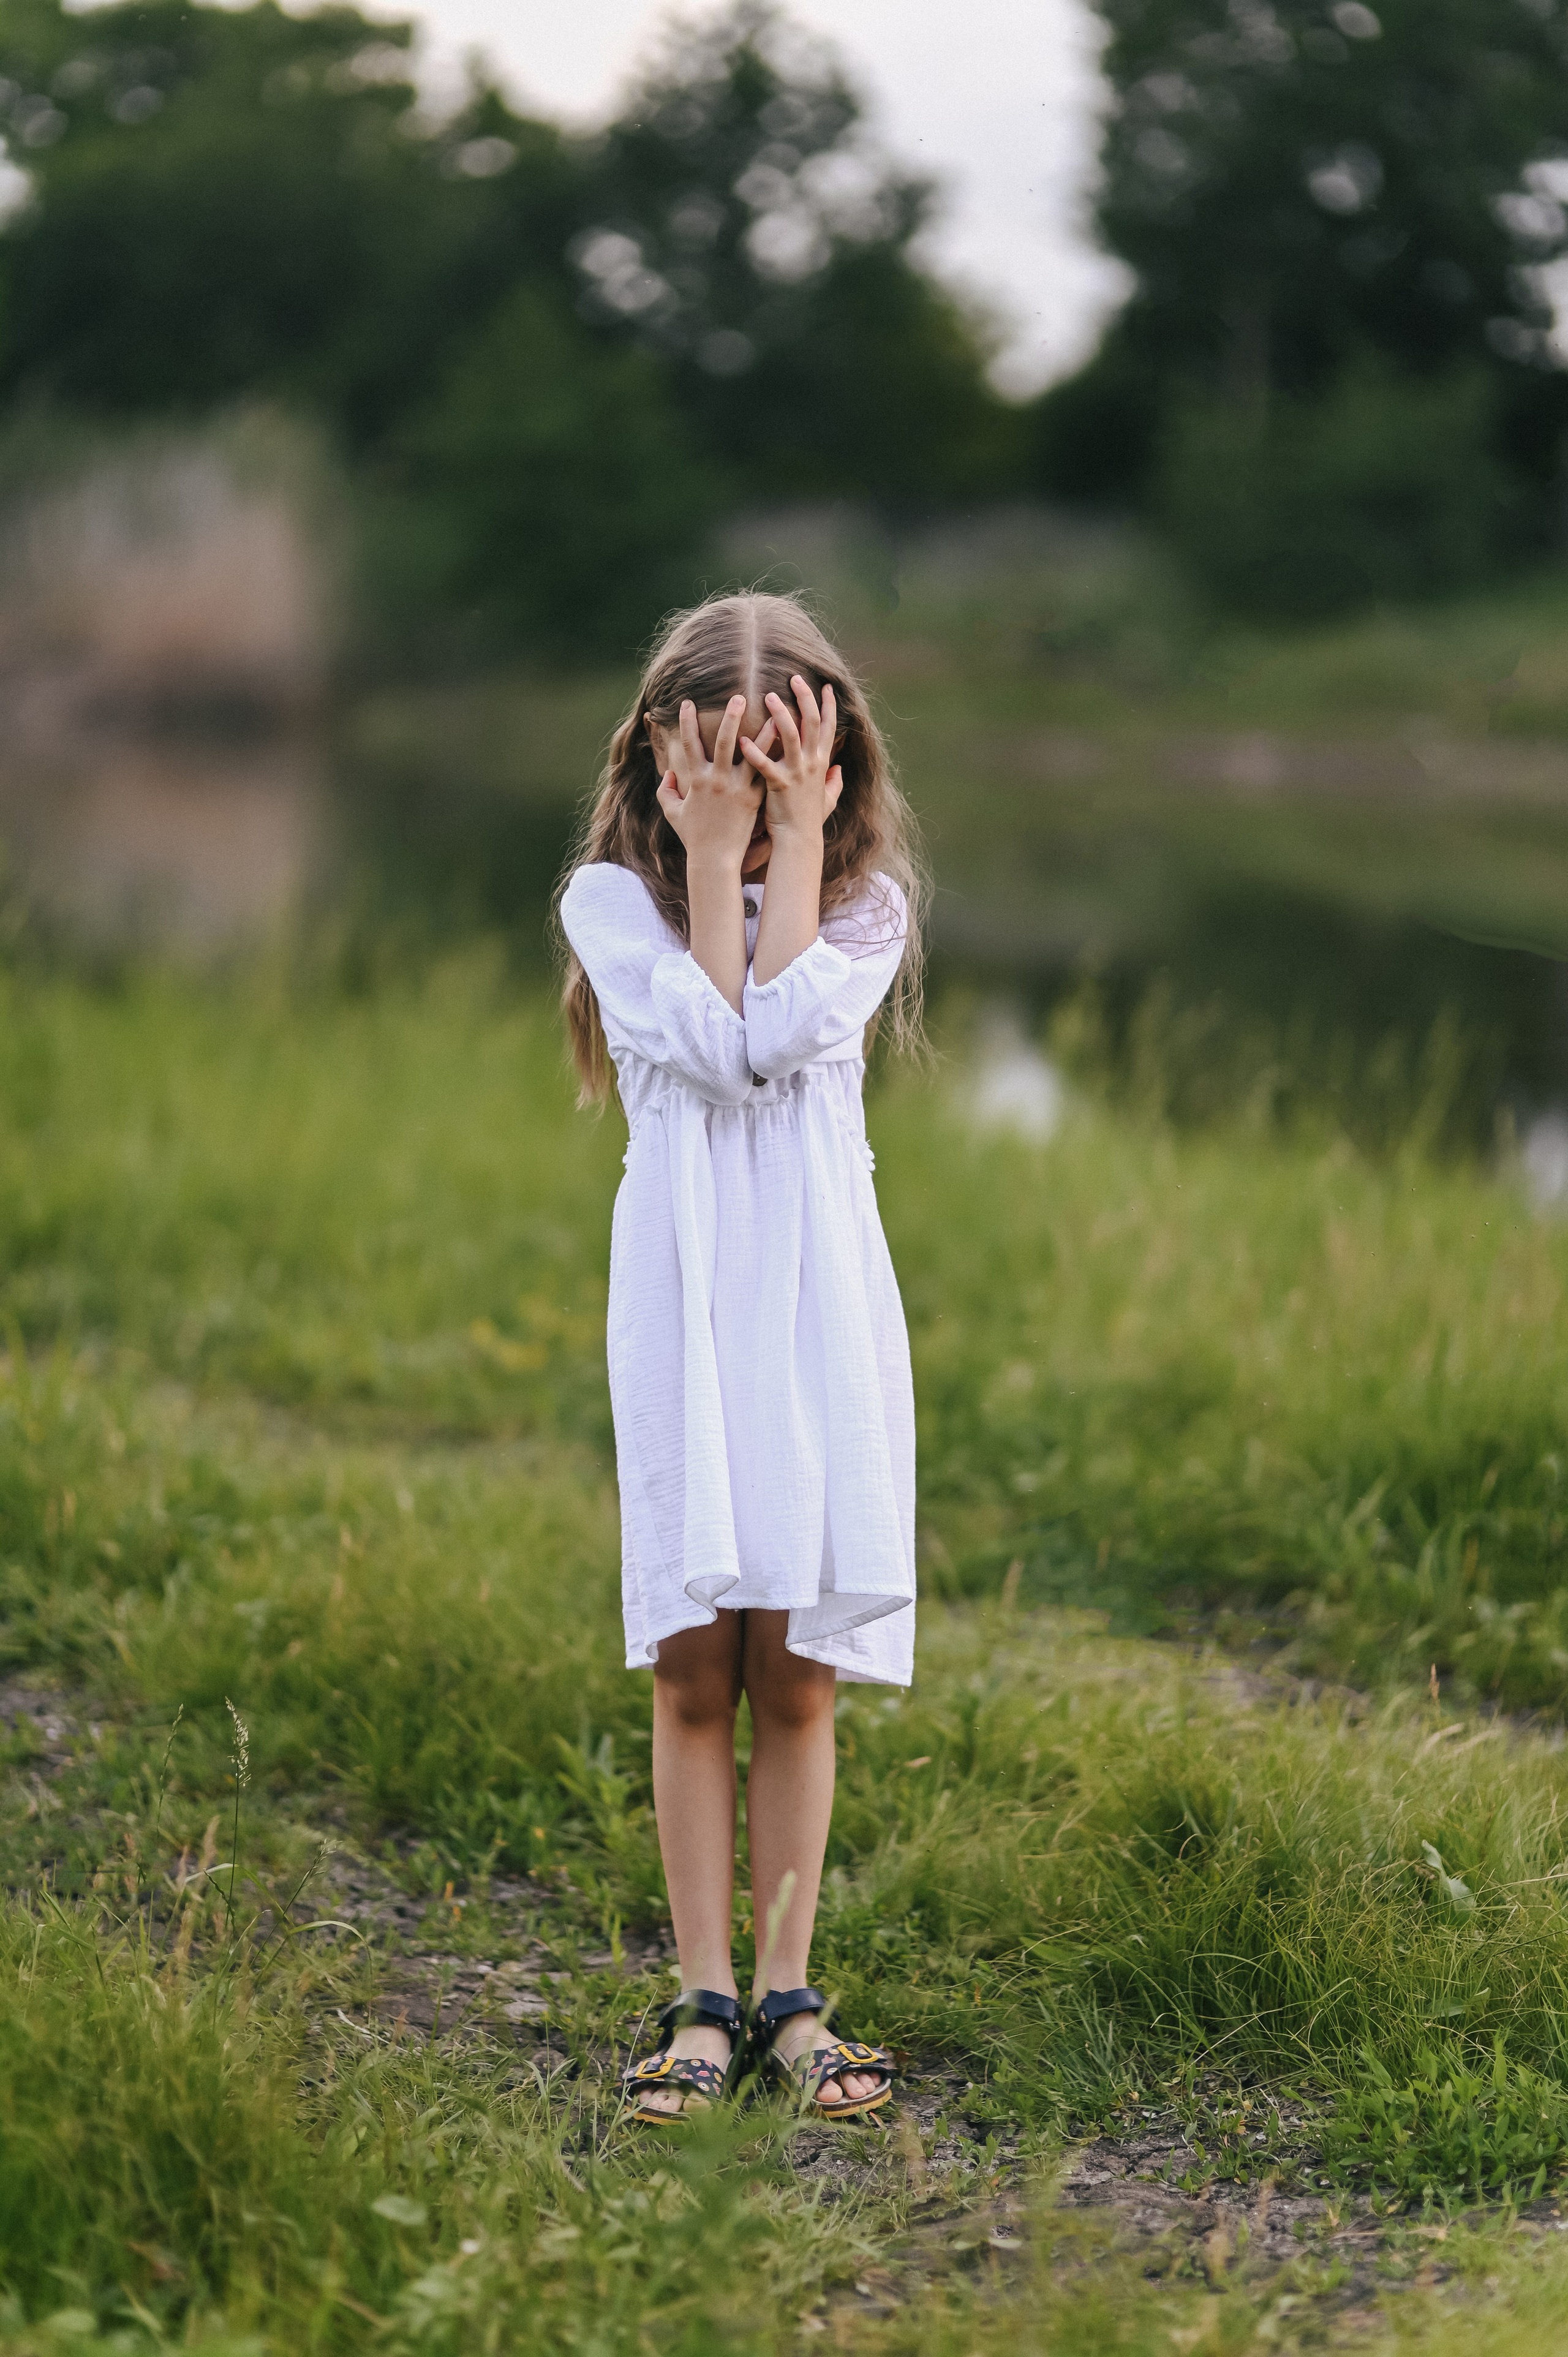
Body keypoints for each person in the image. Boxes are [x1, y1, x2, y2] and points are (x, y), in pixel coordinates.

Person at [557, 589, 924, 2125]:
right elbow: (709, 1048)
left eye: (783, 770)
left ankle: (788, 1994)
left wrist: (769, 856)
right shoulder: (611, 903)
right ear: (662, 753)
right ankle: (703, 1998)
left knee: (799, 1668)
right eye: (723, 763)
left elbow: (768, 1032)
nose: (758, 802)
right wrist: (708, 860)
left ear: (831, 763)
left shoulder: (866, 911)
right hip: (689, 1310)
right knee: (695, 1661)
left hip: (817, 1312)